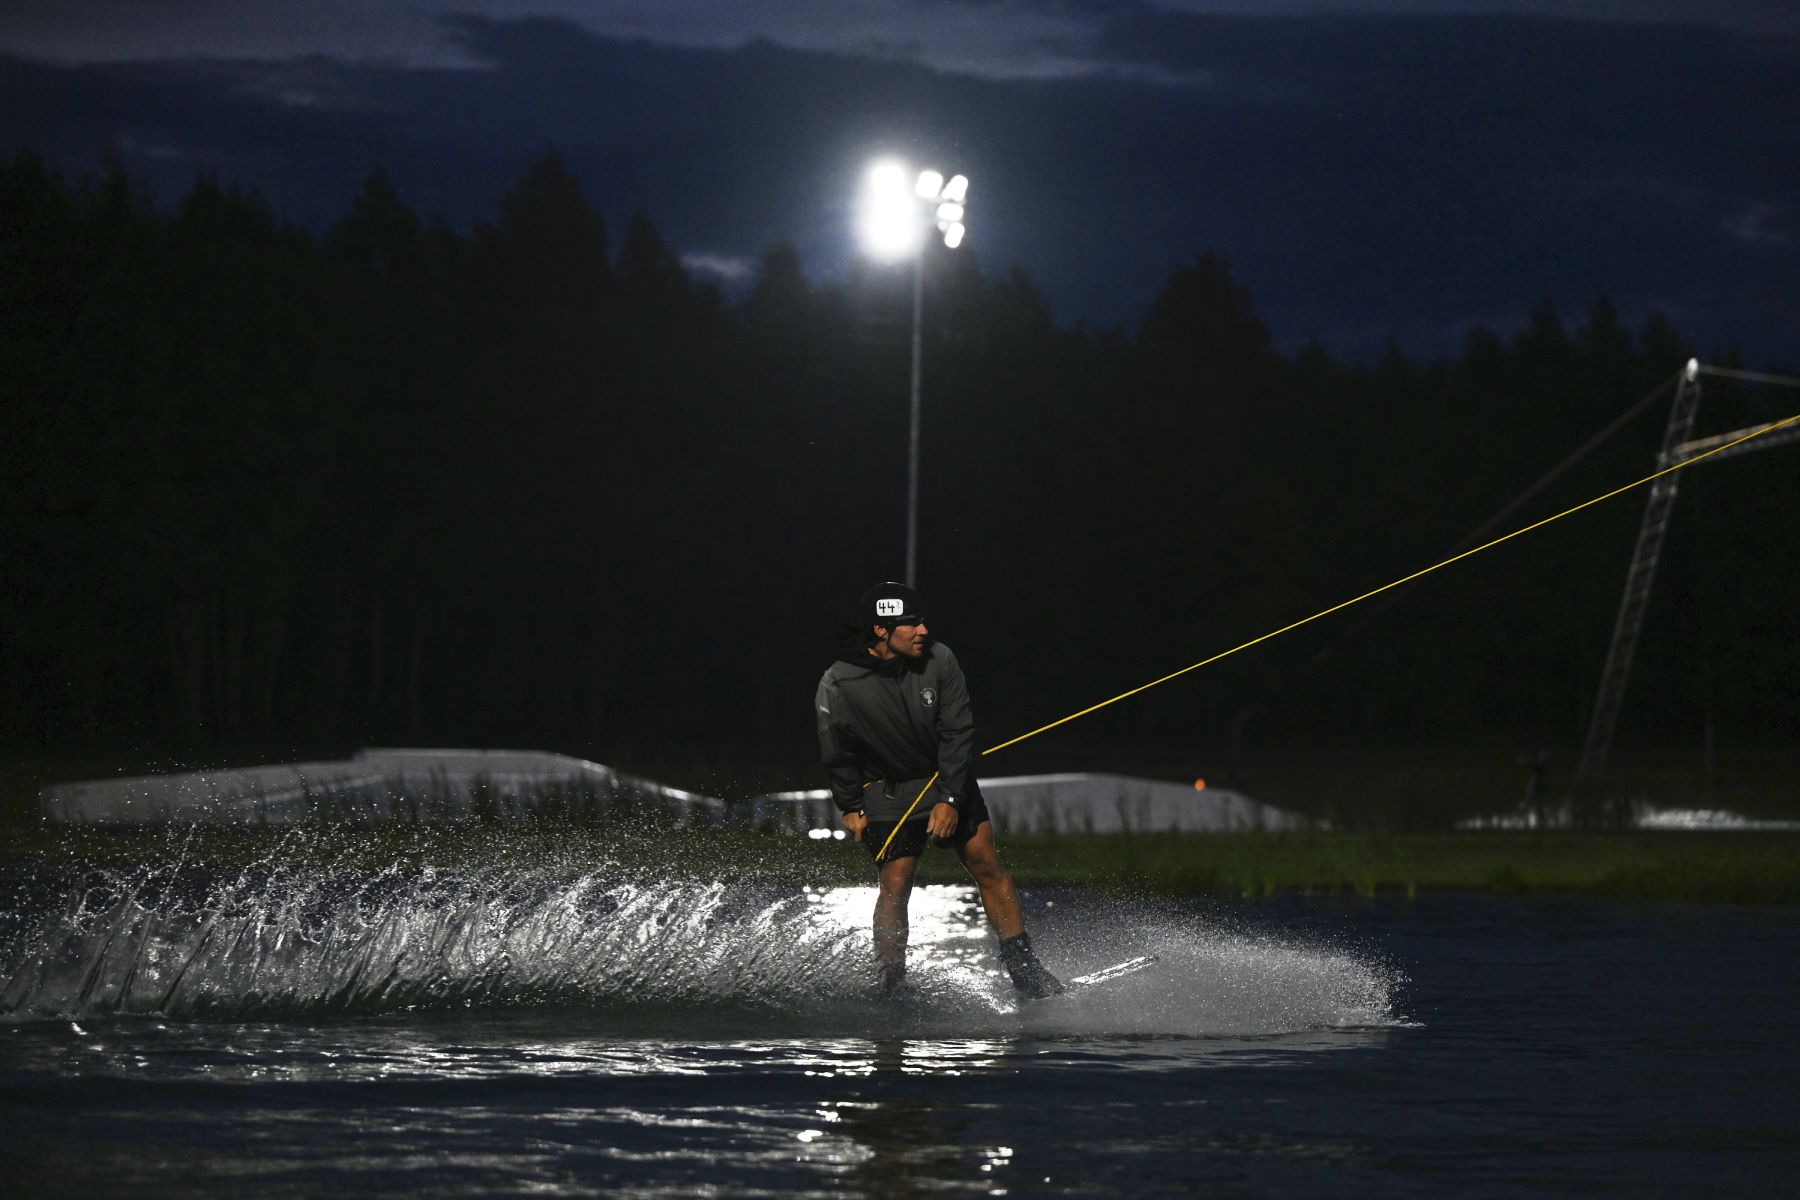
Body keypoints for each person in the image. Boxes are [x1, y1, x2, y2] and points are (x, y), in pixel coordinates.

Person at [815, 581, 1063, 999]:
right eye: (911, 624)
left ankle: (1025, 970)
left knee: (985, 860)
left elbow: (958, 732)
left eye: (923, 621)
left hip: (946, 775)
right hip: (888, 789)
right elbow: (836, 749)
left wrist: (950, 798)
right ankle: (891, 984)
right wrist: (850, 805)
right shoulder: (837, 683)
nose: (923, 630)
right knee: (896, 881)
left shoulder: (941, 660)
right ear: (881, 631)